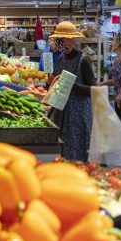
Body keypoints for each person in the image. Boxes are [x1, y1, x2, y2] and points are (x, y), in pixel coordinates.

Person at [49, 21, 96, 162]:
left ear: (71, 40)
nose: (60, 43)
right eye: (59, 40)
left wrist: (72, 84)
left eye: (62, 39)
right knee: (65, 151)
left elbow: (93, 90)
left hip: (80, 115)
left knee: (80, 150)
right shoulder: (60, 59)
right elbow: (56, 82)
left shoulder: (83, 61)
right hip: (63, 115)